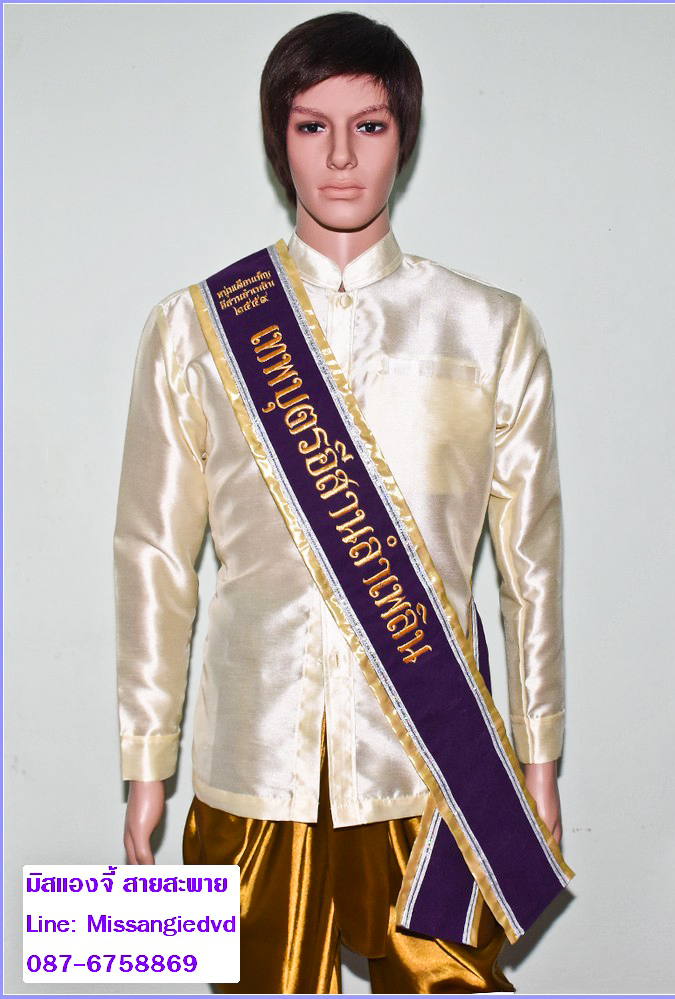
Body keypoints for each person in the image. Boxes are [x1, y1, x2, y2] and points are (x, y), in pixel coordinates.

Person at [115, 11, 566, 994]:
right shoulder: (195, 330)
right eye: (311, 126)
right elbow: (153, 556)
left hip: (431, 763)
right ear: (277, 139)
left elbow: (530, 568)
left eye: (369, 126)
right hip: (253, 759)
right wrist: (147, 758)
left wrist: (538, 757)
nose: (341, 158)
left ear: (405, 135)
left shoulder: (489, 330)